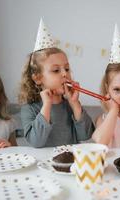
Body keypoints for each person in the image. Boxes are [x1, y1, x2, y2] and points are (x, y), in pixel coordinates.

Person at [19, 19, 94, 147]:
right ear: (37, 78)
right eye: (55, 70)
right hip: (43, 165)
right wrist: (47, 105)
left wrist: (75, 104)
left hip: (69, 164)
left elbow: (86, 135)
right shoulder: (29, 109)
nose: (65, 74)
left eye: (67, 68)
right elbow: (36, 142)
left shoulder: (70, 105)